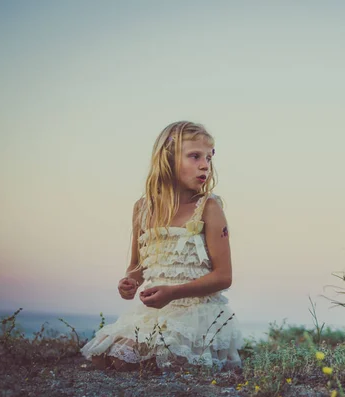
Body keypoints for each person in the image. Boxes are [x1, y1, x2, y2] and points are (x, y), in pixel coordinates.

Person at [81, 121, 242, 371]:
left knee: (151, 364)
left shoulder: (208, 208)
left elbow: (224, 277)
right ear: (167, 159)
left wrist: (173, 293)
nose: (204, 165)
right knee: (106, 357)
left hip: (197, 314)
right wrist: (130, 281)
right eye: (194, 156)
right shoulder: (143, 209)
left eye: (209, 158)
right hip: (155, 312)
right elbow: (138, 265)